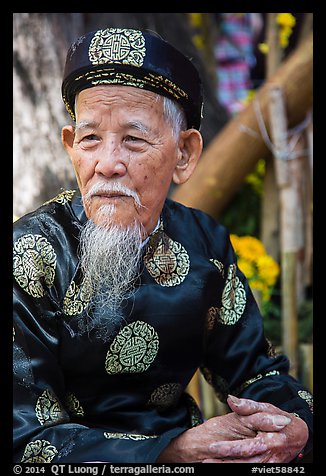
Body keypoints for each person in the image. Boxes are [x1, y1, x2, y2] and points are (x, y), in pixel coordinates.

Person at [13, 27, 313, 464]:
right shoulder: (30, 254)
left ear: (185, 155)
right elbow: (24, 438)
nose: (107, 164)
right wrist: (175, 449)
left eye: (133, 139)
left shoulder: (205, 245)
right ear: (70, 147)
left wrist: (291, 425)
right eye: (91, 138)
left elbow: (256, 373)